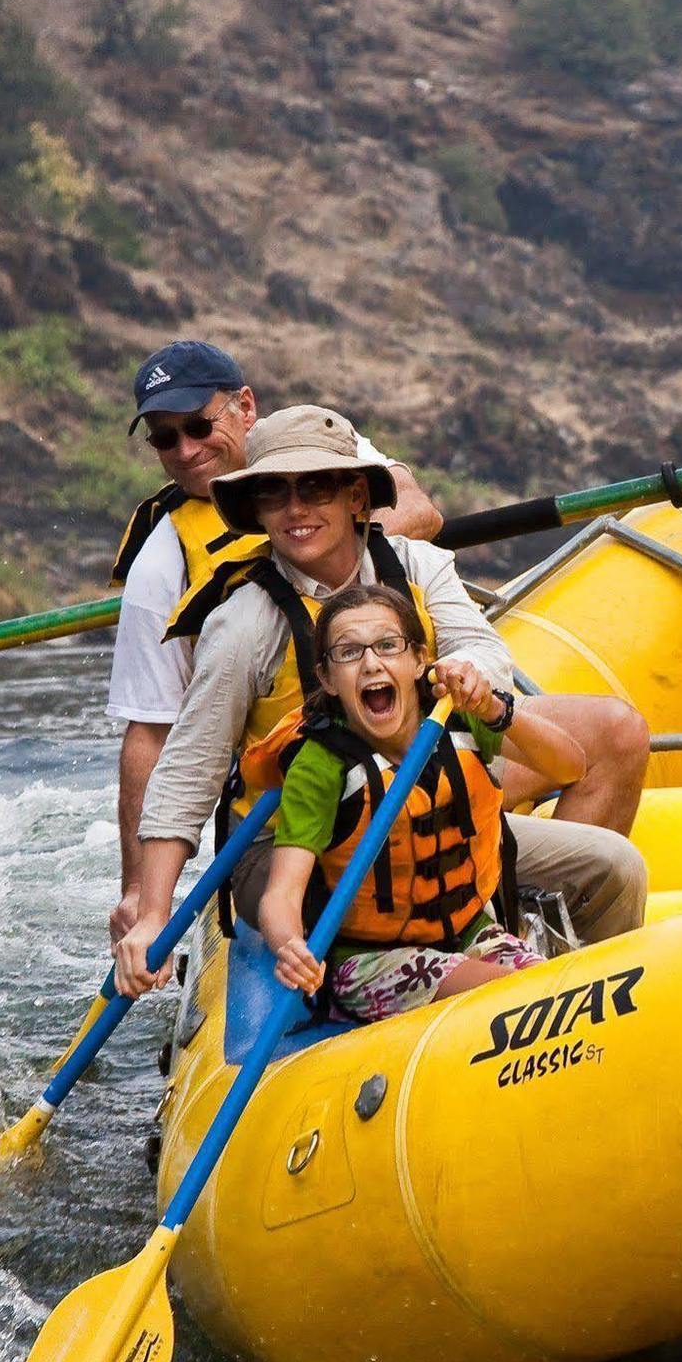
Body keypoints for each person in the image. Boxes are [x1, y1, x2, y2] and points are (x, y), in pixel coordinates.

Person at [112, 406, 646, 996]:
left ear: (357, 497)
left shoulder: (418, 566)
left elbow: (480, 648)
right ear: (256, 513)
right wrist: (153, 910)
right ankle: (432, 974)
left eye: (315, 486)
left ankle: (566, 1000)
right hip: (300, 835)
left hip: (419, 796)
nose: (295, 510)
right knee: (380, 870)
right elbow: (190, 768)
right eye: (272, 493)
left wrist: (470, 676)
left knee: (614, 865)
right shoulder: (242, 626)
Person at [106, 340, 443, 943]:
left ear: (244, 407)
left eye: (198, 426)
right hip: (292, 795)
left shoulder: (320, 444)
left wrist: (327, 547)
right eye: (164, 438)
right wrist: (139, 895)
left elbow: (418, 506)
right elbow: (152, 731)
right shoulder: (163, 568)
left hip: (408, 753)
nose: (185, 450)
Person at [248, 585, 587, 1021]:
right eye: (349, 653)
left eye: (388, 646)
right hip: (369, 962)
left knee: (552, 985)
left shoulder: (458, 718)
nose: (371, 663)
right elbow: (282, 893)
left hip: (469, 934)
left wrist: (495, 710)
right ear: (329, 680)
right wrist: (288, 943)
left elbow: (569, 765)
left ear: (419, 660)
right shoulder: (320, 765)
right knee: (517, 995)